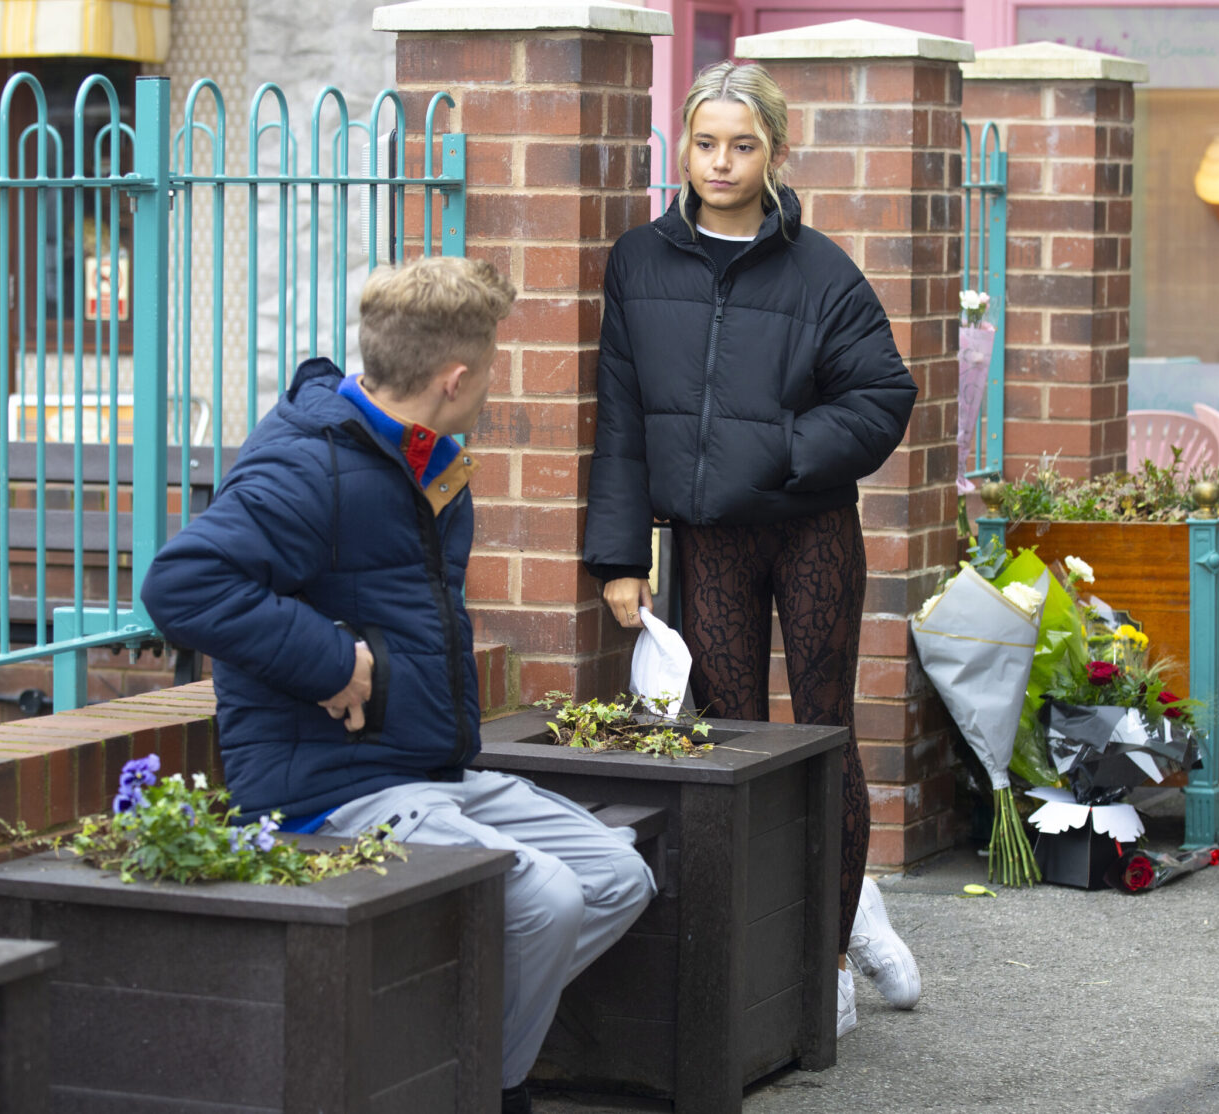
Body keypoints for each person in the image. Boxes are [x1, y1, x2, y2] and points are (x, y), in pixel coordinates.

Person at [141, 256, 655, 1114]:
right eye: (490, 365)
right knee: (544, 898)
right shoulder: (309, 469)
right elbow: (180, 586)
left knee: (614, 877)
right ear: (455, 378)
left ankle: (454, 1069)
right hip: (327, 789)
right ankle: (487, 1091)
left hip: (422, 768)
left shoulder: (420, 455)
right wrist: (333, 660)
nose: (493, 384)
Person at [582, 61, 920, 1036]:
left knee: (820, 734)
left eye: (743, 144)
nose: (721, 161)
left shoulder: (823, 272)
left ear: (775, 153)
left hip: (810, 527)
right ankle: (806, 927)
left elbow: (881, 396)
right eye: (705, 142)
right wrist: (618, 555)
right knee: (733, 741)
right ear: (681, 146)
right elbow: (622, 419)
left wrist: (780, 453)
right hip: (709, 540)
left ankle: (828, 954)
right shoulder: (639, 261)